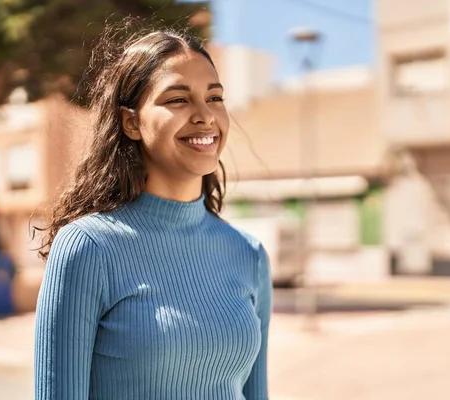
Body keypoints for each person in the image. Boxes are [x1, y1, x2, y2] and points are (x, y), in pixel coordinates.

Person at [34, 28, 272, 400]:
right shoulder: (89, 247)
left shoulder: (249, 254)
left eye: (215, 97)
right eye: (178, 100)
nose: (205, 116)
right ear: (131, 122)